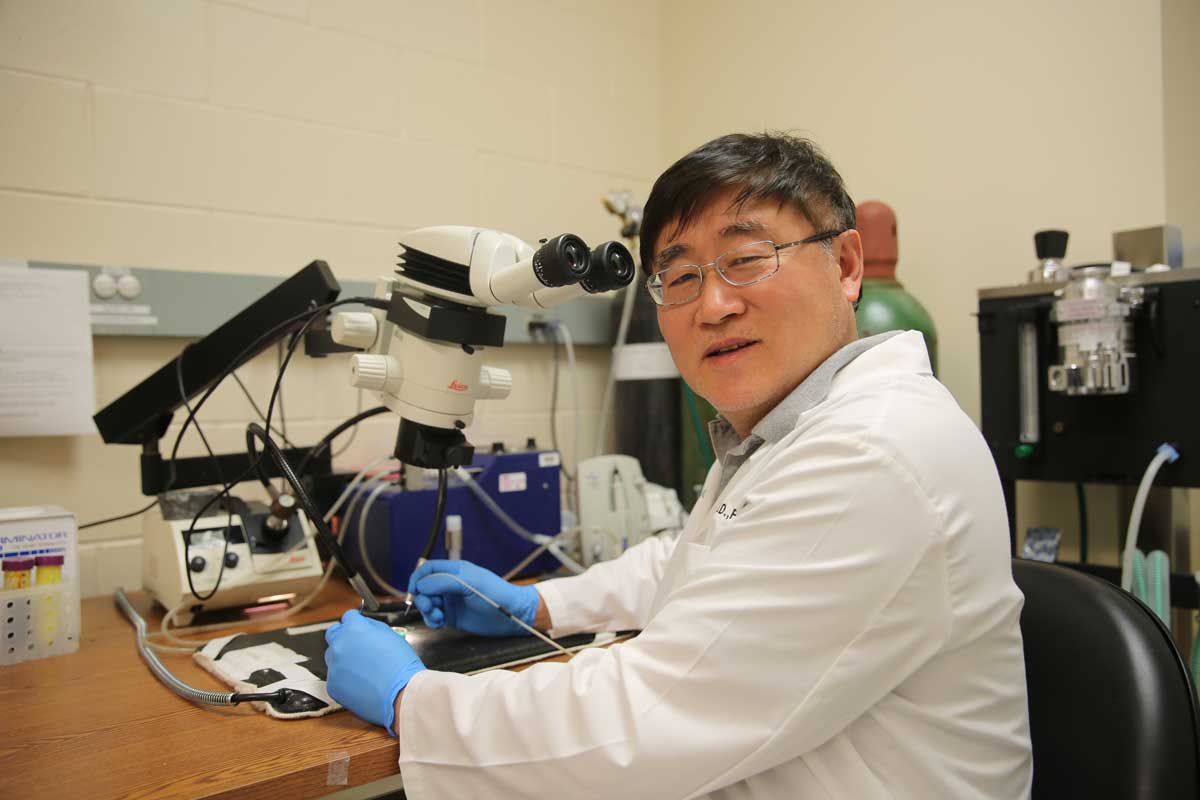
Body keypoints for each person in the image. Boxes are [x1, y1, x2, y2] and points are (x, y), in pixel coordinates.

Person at [324, 132, 1033, 799]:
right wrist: (545, 605)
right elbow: (711, 562)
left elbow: (646, 718)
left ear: (846, 266)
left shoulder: (872, 453)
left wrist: (414, 701)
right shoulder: (794, 429)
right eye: (680, 276)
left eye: (747, 258)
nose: (714, 305)